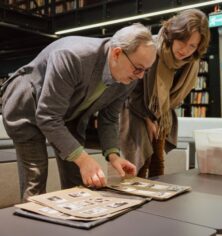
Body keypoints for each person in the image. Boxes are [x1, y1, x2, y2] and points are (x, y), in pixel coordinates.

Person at [1, 23, 156, 201]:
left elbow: (110, 117)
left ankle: (76, 221)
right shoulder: (73, 57)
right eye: (138, 68)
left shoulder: (129, 78)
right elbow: (48, 117)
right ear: (117, 53)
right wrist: (83, 159)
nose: (140, 76)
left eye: (146, 70)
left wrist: (113, 156)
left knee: (77, 178)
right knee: (35, 177)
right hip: (26, 106)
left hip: (69, 114)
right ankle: (31, 226)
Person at [120, 9, 210, 178]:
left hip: (163, 114)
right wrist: (148, 119)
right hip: (136, 109)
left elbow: (175, 96)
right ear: (173, 34)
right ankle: (136, 198)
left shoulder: (191, 63)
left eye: (192, 45)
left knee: (158, 159)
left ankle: (157, 199)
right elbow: (131, 89)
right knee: (141, 160)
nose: (185, 50)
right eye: (182, 41)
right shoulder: (151, 48)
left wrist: (158, 117)